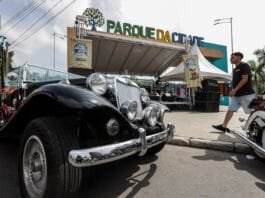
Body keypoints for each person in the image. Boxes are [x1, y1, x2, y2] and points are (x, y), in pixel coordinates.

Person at [212, 52, 255, 132]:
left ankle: (255, 129)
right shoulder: (235, 69)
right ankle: (224, 126)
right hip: (236, 96)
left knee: (251, 112)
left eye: (232, 57)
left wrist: (234, 90)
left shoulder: (244, 65)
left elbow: (245, 79)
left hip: (246, 94)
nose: (230, 59)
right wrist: (233, 90)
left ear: (239, 57)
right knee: (230, 109)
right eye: (230, 57)